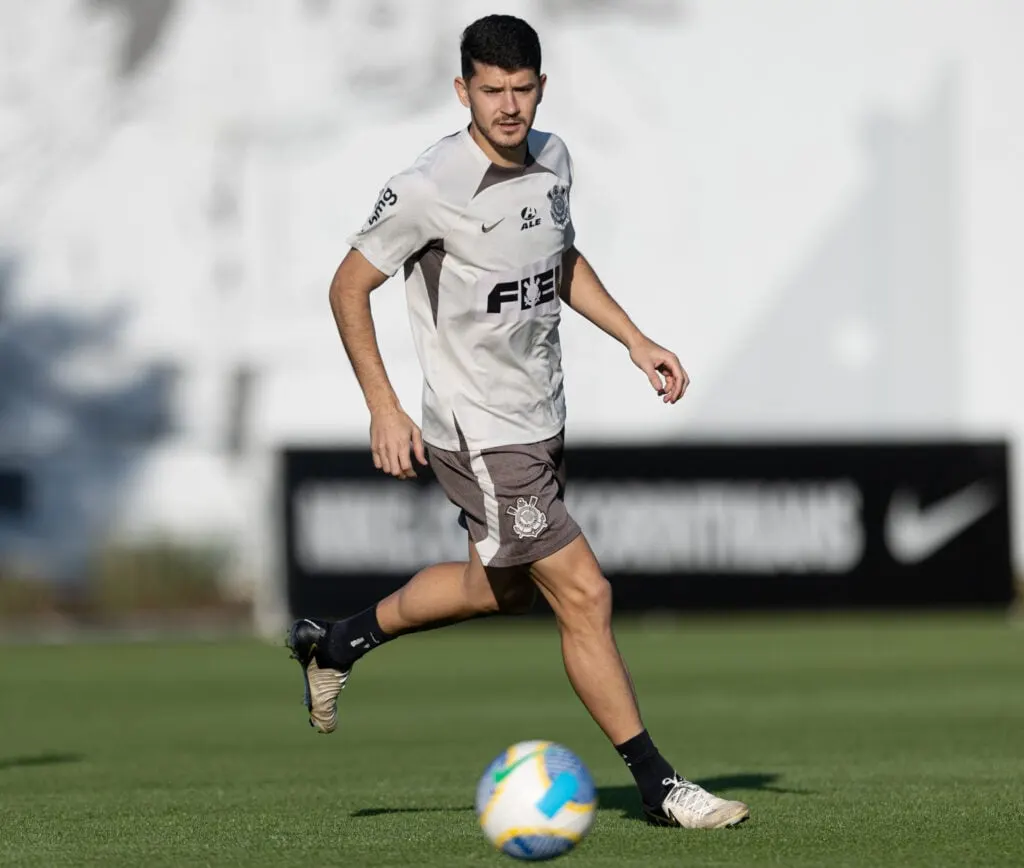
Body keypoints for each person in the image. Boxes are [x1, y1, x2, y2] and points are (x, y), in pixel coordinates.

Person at [287, 13, 749, 830]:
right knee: (585, 593)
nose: (509, 107)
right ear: (461, 89)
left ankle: (336, 643)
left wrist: (636, 340)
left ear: (542, 87)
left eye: (523, 90)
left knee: (495, 590)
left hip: (539, 417)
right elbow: (345, 287)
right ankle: (660, 786)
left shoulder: (554, 160)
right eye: (491, 90)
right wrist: (384, 406)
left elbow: (560, 261)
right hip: (479, 432)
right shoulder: (432, 184)